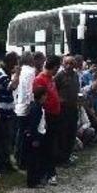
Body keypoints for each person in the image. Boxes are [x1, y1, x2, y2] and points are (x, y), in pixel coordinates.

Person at [32, 55, 62, 186]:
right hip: (46, 116)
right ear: (54, 67)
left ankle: (49, 171)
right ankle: (48, 173)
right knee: (47, 146)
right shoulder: (40, 79)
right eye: (57, 68)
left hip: (55, 114)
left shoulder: (51, 79)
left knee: (52, 144)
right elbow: (39, 98)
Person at [0, 52, 19, 174]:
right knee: (0, 138)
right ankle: (0, 165)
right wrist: (17, 74)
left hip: (8, 109)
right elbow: (12, 86)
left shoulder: (7, 73)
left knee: (8, 138)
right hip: (1, 109)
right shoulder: (1, 73)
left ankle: (7, 162)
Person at [12, 52, 39, 169]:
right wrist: (32, 104)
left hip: (18, 105)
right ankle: (23, 159)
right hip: (26, 106)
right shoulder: (30, 72)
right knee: (26, 134)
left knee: (20, 133)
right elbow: (29, 90)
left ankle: (18, 157)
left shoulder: (20, 72)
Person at [53, 56, 80, 166]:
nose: (69, 66)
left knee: (71, 133)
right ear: (63, 64)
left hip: (73, 107)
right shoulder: (59, 75)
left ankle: (68, 155)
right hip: (63, 109)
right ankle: (61, 158)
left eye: (71, 63)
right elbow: (54, 90)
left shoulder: (75, 75)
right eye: (66, 63)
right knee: (62, 134)